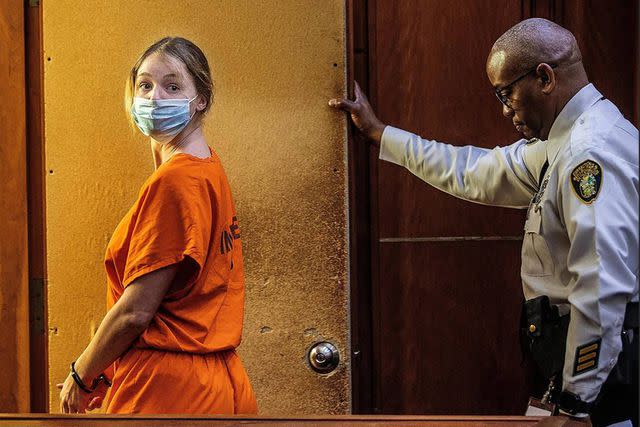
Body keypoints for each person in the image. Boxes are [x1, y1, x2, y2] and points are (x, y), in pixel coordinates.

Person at [330, 18, 638, 427]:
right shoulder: (561, 143)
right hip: (581, 371)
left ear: (544, 78)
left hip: (601, 383)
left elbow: (601, 287)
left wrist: (576, 403)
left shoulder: (589, 153)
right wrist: (381, 134)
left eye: (506, 93)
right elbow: (475, 171)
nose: (504, 109)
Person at [58, 36, 258, 414]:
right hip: (216, 383)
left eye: (172, 86)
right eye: (145, 85)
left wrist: (82, 374)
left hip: (168, 391)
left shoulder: (176, 181)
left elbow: (136, 311)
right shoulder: (208, 167)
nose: (154, 98)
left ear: (201, 99)